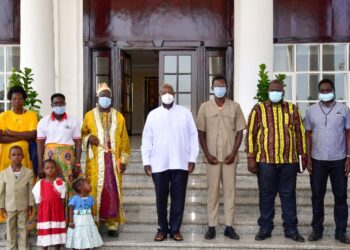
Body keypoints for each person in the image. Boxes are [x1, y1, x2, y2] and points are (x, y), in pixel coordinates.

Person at [246, 79, 307, 242]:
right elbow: (251, 133)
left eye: (278, 91)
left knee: (289, 195)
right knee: (266, 195)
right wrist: (251, 156)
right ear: (267, 92)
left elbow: (300, 133)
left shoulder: (293, 109)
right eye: (272, 90)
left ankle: (291, 229)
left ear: (283, 93)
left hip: (289, 161)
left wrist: (303, 155)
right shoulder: (258, 109)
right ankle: (265, 228)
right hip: (265, 161)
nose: (275, 93)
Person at [141, 84, 199, 241]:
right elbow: (147, 139)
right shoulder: (153, 115)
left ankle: (175, 229)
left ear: (175, 94)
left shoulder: (185, 113)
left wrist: (192, 158)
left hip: (180, 163)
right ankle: (162, 229)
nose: (167, 95)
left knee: (178, 197)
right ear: (160, 95)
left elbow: (194, 136)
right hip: (159, 164)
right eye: (164, 92)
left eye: (169, 92)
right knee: (161, 198)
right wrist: (146, 161)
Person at [196, 75, 246, 240]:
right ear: (212, 88)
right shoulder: (204, 107)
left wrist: (233, 153)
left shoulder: (235, 107)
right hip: (212, 158)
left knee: (230, 191)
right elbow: (201, 133)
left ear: (226, 87)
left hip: (229, 158)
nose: (220, 88)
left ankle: (229, 226)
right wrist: (207, 153)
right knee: (212, 192)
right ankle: (212, 226)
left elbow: (240, 132)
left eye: (222, 85)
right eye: (217, 85)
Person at [81, 82, 130, 237]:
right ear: (98, 97)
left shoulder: (119, 116)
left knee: (112, 189)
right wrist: (89, 138)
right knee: (95, 188)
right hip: (96, 161)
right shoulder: (89, 115)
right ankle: (95, 221)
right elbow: (82, 135)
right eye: (102, 96)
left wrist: (123, 160)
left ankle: (112, 224)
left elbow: (125, 140)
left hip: (113, 160)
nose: (105, 98)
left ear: (111, 98)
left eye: (108, 96)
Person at [305, 78, 350, 244]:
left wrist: (348, 158)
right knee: (317, 196)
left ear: (333, 91)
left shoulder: (344, 109)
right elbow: (308, 134)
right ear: (319, 92)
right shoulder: (311, 111)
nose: (325, 93)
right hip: (317, 160)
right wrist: (308, 157)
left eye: (328, 90)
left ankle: (340, 231)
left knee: (340, 196)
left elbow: (348, 134)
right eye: (322, 91)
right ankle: (317, 230)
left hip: (338, 159)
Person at [0, 86, 37, 223]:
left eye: (20, 98)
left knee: (24, 185)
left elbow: (33, 134)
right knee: (7, 187)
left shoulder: (31, 115)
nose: (17, 101)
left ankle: (26, 216)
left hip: (25, 158)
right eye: (14, 98)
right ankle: (5, 217)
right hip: (6, 159)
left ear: (24, 100)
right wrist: (22, 137)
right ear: (10, 100)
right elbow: (0, 138)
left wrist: (9, 132)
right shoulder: (3, 116)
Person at [37, 93, 82, 198]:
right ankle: (52, 211)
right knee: (50, 186)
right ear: (52, 105)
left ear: (65, 104)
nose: (59, 105)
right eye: (56, 103)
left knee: (68, 185)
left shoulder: (73, 121)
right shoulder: (44, 122)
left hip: (68, 161)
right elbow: (39, 144)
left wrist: (78, 164)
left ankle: (67, 212)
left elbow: (78, 143)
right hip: (49, 159)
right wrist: (40, 166)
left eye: (61, 103)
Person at [0, 146, 34, 250]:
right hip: (9, 206)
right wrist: (1, 205)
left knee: (23, 228)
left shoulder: (28, 172)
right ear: (9, 156)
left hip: (23, 206)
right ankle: (11, 248)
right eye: (14, 155)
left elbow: (30, 190)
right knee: (10, 230)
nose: (16, 157)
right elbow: (1, 191)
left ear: (23, 156)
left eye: (19, 155)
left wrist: (30, 204)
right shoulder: (3, 173)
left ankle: (24, 248)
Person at [32, 159, 66, 249]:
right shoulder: (40, 183)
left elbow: (63, 199)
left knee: (56, 230)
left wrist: (61, 212)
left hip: (57, 211)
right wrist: (40, 213)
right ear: (43, 169)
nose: (50, 170)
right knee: (45, 230)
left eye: (52, 168)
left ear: (57, 169)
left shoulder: (61, 183)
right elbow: (38, 201)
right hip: (44, 211)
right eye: (47, 168)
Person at [66, 178, 103, 249]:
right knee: (78, 233)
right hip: (77, 220)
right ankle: (76, 246)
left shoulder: (90, 198)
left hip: (88, 219)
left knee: (87, 233)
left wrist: (93, 219)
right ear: (80, 187)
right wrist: (71, 222)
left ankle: (87, 245)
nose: (90, 185)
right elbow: (70, 210)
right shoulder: (74, 198)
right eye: (87, 184)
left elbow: (91, 210)